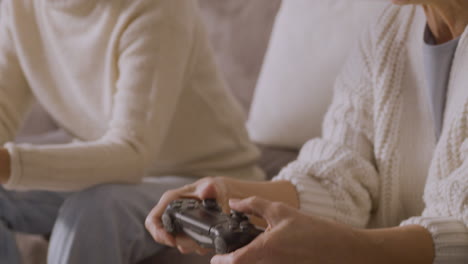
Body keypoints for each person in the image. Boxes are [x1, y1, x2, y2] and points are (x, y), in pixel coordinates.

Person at [146, 0, 468, 263]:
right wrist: (230, 195)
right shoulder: (388, 30)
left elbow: (463, 232)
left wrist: (339, 247)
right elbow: (339, 177)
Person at [0, 0, 265, 263]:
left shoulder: (158, 8)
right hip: (109, 165)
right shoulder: (20, 6)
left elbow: (132, 151)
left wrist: (9, 163)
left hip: (206, 181)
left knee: (96, 211)